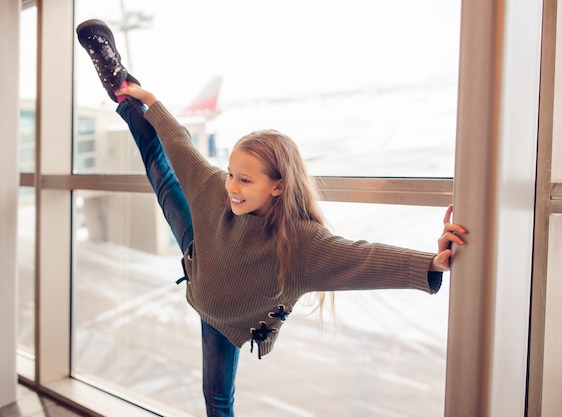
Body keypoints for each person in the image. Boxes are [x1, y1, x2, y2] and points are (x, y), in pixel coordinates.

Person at [76, 19, 468, 417]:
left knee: (217, 399)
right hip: (202, 248)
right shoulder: (217, 191)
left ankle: (128, 95)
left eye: (245, 180)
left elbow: (362, 257)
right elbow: (180, 146)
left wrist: (431, 263)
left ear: (278, 185)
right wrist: (152, 103)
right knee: (161, 172)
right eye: (231, 174)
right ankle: (122, 91)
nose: (231, 187)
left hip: (225, 320)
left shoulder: (302, 244)